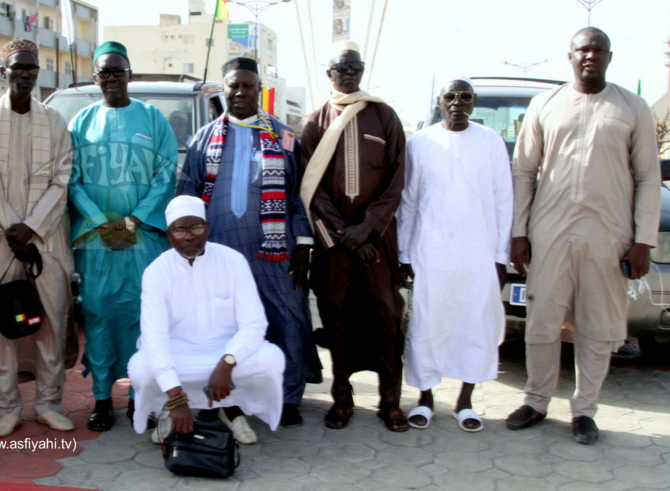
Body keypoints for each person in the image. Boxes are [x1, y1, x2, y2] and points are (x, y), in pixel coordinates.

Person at [507, 27, 660, 444]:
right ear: (569, 56)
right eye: (583, 49)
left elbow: (649, 177)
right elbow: (523, 171)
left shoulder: (632, 107)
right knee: (542, 318)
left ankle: (585, 410)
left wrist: (643, 239)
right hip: (549, 229)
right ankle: (536, 401)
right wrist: (519, 232)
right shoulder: (546, 104)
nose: (590, 56)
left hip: (608, 232)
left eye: (598, 50)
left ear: (610, 57)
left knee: (597, 323)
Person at [178, 56, 320, 427]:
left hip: (273, 250)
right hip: (220, 248)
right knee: (224, 324)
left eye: (248, 86)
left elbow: (299, 194)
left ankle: (287, 397)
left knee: (286, 316)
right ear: (224, 90)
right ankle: (231, 398)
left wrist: (304, 245)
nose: (240, 92)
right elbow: (187, 194)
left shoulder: (283, 136)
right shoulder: (204, 137)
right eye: (233, 86)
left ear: (260, 90)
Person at [69, 41, 178, 431]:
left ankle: (138, 398)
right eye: (104, 72)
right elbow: (72, 180)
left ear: (130, 74)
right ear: (96, 78)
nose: (112, 78)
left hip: (143, 240)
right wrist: (104, 223)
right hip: (98, 243)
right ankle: (101, 399)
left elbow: (166, 174)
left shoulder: (152, 119)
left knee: (141, 318)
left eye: (118, 70)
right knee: (98, 317)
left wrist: (133, 221)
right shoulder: (80, 123)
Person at [299, 40, 408, 432]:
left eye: (354, 68)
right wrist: (345, 235)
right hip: (337, 247)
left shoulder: (384, 116)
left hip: (376, 244)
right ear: (329, 75)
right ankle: (342, 398)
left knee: (385, 317)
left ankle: (390, 402)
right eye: (340, 69)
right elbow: (310, 190)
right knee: (338, 318)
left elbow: (397, 181)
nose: (348, 74)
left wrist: (368, 230)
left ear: (362, 70)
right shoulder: (314, 123)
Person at [397, 78, 513, 433]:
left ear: (474, 102)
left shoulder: (491, 141)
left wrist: (500, 255)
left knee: (474, 323)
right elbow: (409, 202)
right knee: (429, 324)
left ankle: (465, 401)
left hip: (478, 254)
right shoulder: (420, 142)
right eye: (451, 96)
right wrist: (404, 253)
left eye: (465, 96)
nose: (457, 102)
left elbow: (503, 200)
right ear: (439, 100)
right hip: (431, 252)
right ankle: (426, 399)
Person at [0, 39, 75, 438]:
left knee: (51, 320)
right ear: (4, 72)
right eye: (18, 68)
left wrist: (31, 227)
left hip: (46, 242)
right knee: (4, 327)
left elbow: (61, 179)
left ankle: (48, 404)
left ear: (38, 74)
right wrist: (13, 231)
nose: (25, 74)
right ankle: (7, 407)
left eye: (31, 69)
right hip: (0, 243)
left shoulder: (53, 121)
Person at [128, 195, 285, 444]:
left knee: (271, 361)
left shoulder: (232, 261)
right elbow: (154, 338)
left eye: (196, 227)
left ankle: (231, 408)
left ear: (207, 228)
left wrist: (227, 363)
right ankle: (171, 407)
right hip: (177, 351)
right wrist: (178, 399)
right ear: (169, 234)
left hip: (227, 351)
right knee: (141, 369)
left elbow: (254, 323)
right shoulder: (157, 272)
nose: (189, 236)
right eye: (180, 230)